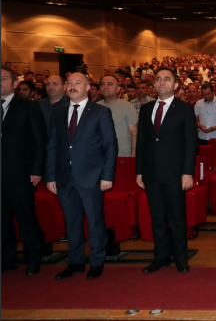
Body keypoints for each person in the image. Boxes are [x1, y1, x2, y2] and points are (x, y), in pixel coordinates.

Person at [45, 73, 117, 280]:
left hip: (92, 177)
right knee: (72, 223)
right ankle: (75, 262)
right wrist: (50, 177)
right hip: (64, 177)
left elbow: (109, 146)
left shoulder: (100, 112)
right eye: (69, 83)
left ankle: (96, 262)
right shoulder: (57, 113)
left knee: (95, 222)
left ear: (88, 88)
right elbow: (51, 147)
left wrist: (107, 175)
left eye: (78, 83)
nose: (72, 86)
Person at [135, 67, 198, 274]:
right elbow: (142, 142)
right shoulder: (146, 109)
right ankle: (160, 257)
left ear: (176, 84)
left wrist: (188, 172)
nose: (162, 82)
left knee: (177, 217)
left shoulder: (185, 108)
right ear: (154, 84)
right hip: (151, 173)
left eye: (167, 79)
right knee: (157, 217)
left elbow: (191, 143)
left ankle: (181, 257)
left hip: (175, 173)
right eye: (159, 79)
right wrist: (139, 171)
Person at [1, 66, 47, 275]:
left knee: (26, 217)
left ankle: (33, 259)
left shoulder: (28, 106)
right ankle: (6, 259)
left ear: (15, 84)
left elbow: (39, 140)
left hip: (20, 173)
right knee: (2, 221)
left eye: (3, 79)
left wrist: (37, 169)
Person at [97, 76, 138, 156]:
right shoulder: (95, 107)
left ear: (118, 89)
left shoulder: (127, 106)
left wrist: (133, 153)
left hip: (122, 155)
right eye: (102, 84)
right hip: (99, 156)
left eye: (110, 84)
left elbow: (134, 133)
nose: (105, 87)